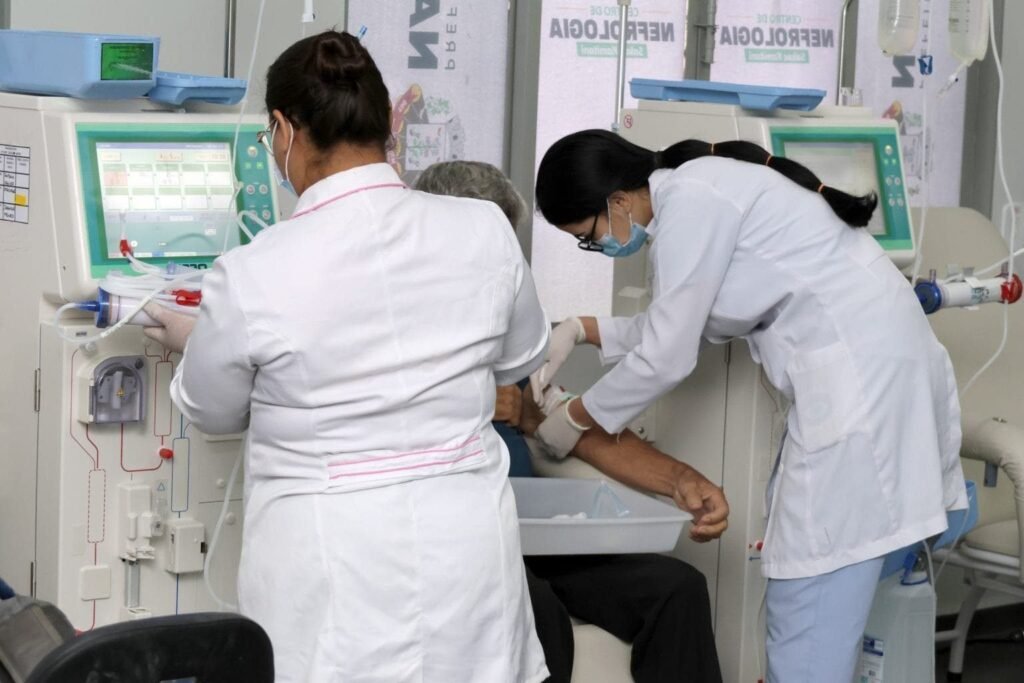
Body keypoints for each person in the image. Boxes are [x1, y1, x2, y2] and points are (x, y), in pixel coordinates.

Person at [144, 32, 550, 682]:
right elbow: (519, 355)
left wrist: (201, 338)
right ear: (385, 121)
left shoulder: (254, 272)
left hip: (332, 564)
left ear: (284, 130)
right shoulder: (483, 230)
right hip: (465, 555)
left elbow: (213, 409)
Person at [530, 130, 968, 683]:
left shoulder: (692, 201)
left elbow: (666, 354)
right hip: (878, 378)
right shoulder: (700, 188)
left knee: (809, 597)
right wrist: (580, 328)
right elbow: (676, 324)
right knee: (829, 588)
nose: (597, 248)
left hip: (860, 395)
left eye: (588, 237)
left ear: (617, 200)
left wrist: (574, 419)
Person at [415, 160, 727, 683]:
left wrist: (680, 480)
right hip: (457, 548)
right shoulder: (399, 327)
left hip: (536, 544)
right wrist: (468, 403)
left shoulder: (505, 327)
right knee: (537, 615)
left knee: (677, 589)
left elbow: (572, 429)